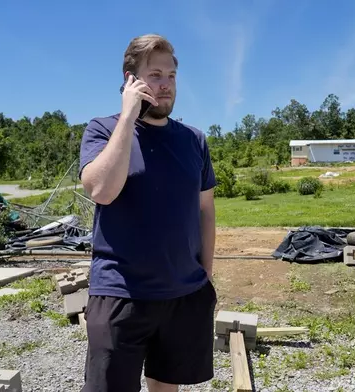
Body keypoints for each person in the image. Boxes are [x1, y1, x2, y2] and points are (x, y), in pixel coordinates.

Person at [78, 34, 217, 392]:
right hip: (120, 295)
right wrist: (128, 116)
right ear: (130, 79)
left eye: (171, 76)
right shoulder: (103, 129)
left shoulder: (194, 140)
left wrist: (205, 276)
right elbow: (102, 191)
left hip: (183, 295)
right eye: (155, 75)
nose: (166, 85)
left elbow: (206, 210)